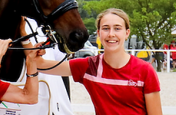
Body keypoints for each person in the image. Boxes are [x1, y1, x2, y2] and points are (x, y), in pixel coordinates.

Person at [33, 8, 163, 115]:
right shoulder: (89, 67)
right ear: (99, 33)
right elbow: (40, 65)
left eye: (117, 28)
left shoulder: (145, 70)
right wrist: (34, 47)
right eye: (106, 28)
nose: (111, 34)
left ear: (127, 33)